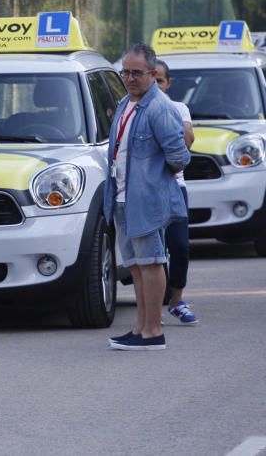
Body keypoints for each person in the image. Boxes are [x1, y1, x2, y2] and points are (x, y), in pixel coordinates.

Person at [105, 44, 190, 351]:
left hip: (147, 200)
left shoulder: (160, 107)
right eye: (125, 72)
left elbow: (179, 157)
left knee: (152, 262)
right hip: (124, 198)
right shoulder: (127, 102)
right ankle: (141, 328)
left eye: (136, 72)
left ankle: (153, 331)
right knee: (137, 265)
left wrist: (152, 181)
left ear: (154, 74)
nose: (129, 78)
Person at [155, 59, 199, 325]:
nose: (156, 84)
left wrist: (163, 110)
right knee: (152, 253)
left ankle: (176, 301)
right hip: (143, 190)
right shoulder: (130, 109)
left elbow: (187, 140)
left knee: (180, 247)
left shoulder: (178, 108)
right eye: (153, 78)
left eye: (160, 80)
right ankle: (150, 310)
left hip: (174, 187)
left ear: (168, 83)